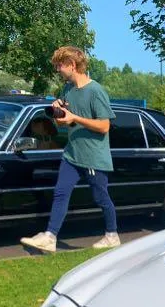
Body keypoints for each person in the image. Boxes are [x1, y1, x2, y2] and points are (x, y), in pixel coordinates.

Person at [20, 45, 119, 253]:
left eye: (59, 66)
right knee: (60, 193)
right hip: (72, 153)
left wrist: (75, 118)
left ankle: (112, 235)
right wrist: (60, 114)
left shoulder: (96, 91)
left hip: (93, 156)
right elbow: (65, 123)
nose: (57, 70)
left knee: (101, 197)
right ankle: (50, 237)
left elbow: (104, 126)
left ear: (72, 65)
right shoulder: (66, 90)